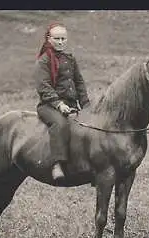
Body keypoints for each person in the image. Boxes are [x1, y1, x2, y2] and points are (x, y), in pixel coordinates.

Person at [34, 22, 91, 180]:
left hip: (71, 105)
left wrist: (86, 105)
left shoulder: (70, 59)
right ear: (48, 39)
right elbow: (43, 87)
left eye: (63, 39)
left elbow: (79, 83)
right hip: (49, 106)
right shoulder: (43, 61)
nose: (60, 42)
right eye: (57, 38)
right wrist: (59, 105)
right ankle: (57, 164)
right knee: (60, 124)